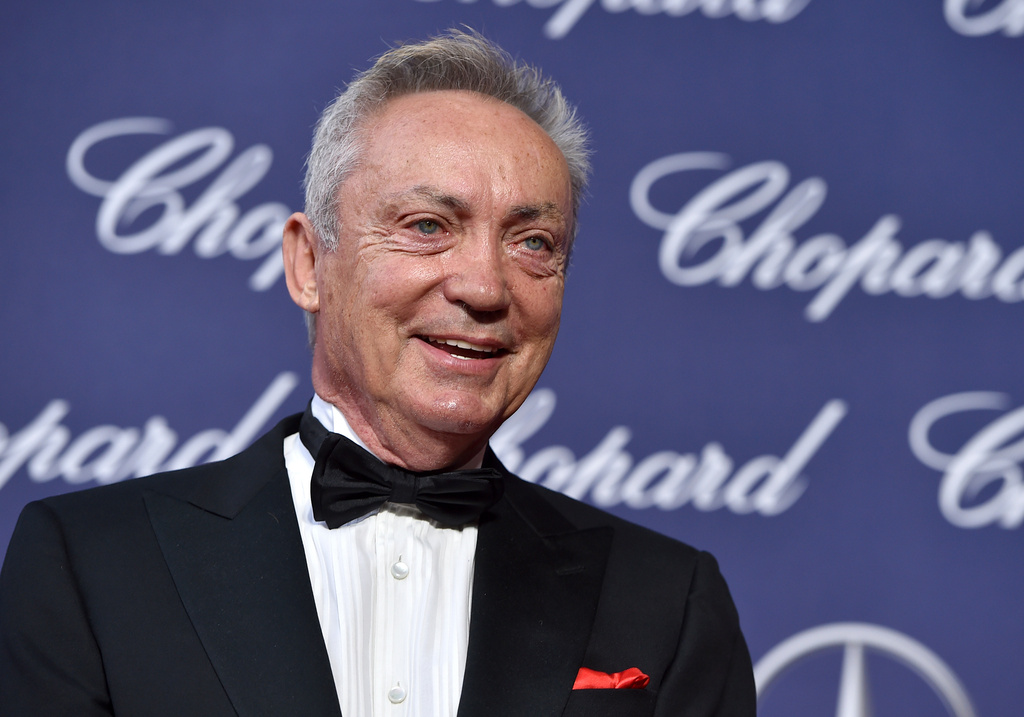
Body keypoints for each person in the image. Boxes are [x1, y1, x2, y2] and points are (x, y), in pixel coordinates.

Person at [0, 30, 755, 716]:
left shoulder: (667, 603)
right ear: (309, 263)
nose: (485, 287)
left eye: (532, 242)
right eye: (429, 226)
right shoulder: (91, 564)